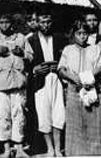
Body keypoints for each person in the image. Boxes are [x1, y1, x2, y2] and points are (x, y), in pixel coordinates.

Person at [0, 13, 33, 158]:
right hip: (1, 81)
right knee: (3, 113)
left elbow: (31, 56)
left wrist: (22, 52)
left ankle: (19, 148)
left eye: (7, 22)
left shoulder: (21, 38)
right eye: (1, 22)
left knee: (19, 112)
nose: (5, 25)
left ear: (11, 23)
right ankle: (6, 148)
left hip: (19, 80)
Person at [57, 20, 101, 156]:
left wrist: (88, 76)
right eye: (79, 33)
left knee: (94, 125)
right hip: (74, 90)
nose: (82, 36)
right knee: (76, 126)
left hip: (92, 89)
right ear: (74, 34)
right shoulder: (68, 49)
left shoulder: (95, 49)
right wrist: (74, 78)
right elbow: (61, 69)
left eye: (85, 33)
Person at [27, 10, 67, 156]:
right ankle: (49, 148)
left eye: (48, 22)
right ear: (37, 23)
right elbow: (25, 63)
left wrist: (60, 65)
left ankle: (58, 148)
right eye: (42, 22)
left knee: (59, 114)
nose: (46, 25)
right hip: (40, 82)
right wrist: (34, 69)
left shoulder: (59, 38)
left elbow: (66, 57)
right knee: (44, 115)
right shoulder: (30, 40)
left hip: (57, 80)